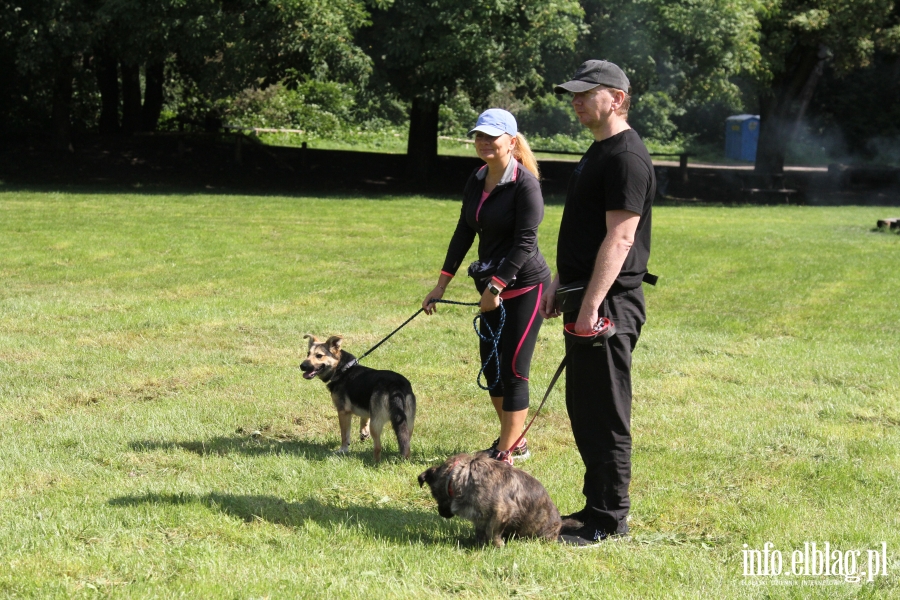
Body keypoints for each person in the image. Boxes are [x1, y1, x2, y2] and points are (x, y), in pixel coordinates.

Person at [539, 60, 656, 545]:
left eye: (588, 93)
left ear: (618, 99)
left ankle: (610, 520)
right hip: (583, 296)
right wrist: (559, 284)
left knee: (606, 411)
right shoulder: (597, 151)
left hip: (608, 305)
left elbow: (620, 238)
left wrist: (590, 307)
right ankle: (593, 510)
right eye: (575, 93)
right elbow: (584, 231)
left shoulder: (626, 157)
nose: (577, 100)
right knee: (584, 407)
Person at [423, 108, 551, 465]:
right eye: (479, 136)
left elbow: (525, 244)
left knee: (513, 369)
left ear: (511, 142)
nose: (484, 142)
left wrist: (494, 289)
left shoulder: (526, 185)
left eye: (492, 137)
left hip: (524, 286)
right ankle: (516, 439)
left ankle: (506, 452)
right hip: (491, 290)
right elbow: (464, 230)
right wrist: (441, 284)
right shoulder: (477, 178)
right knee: (492, 368)